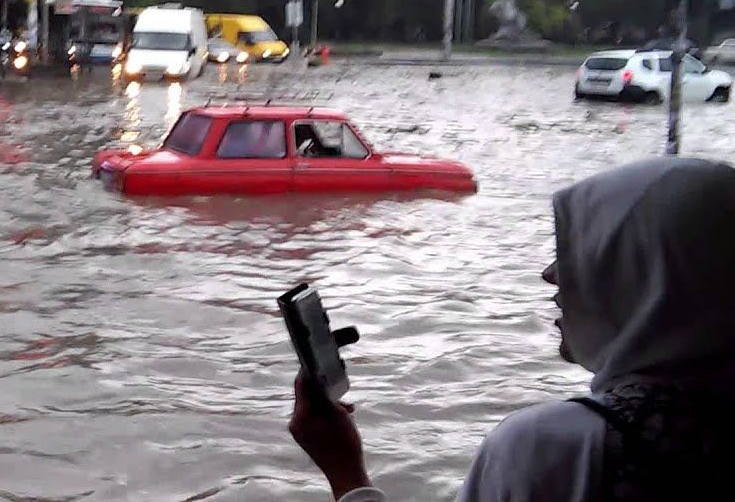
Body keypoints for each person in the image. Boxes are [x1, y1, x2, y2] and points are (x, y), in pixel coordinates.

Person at [288, 157, 735, 502]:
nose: (551, 274)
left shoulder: (553, 450)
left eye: (585, 253)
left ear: (645, 276)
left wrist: (345, 471)